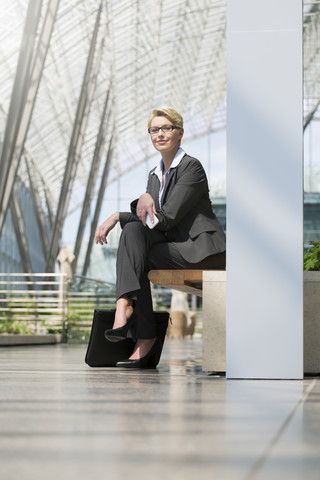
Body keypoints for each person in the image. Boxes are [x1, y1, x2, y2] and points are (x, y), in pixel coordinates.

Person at [95, 106, 226, 368]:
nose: (160, 134)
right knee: (133, 233)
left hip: (201, 251)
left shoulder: (191, 168)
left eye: (167, 128)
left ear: (180, 132)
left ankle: (142, 333)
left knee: (135, 247)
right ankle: (126, 310)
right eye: (155, 130)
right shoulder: (154, 175)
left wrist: (125, 212)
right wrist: (123, 216)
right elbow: (148, 223)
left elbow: (166, 219)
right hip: (176, 247)